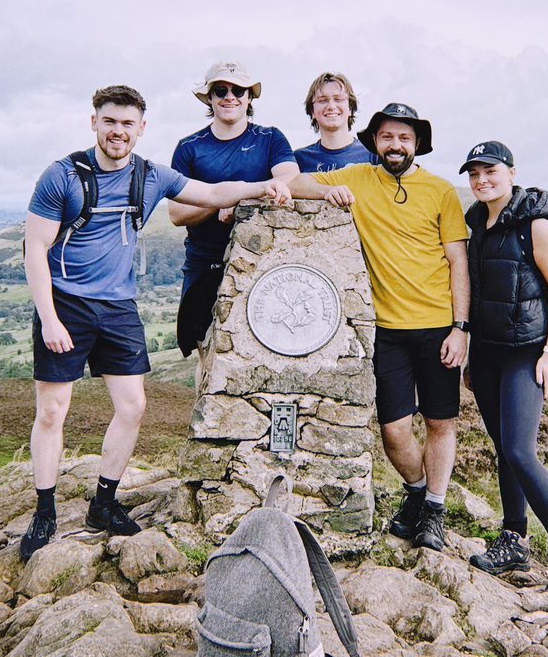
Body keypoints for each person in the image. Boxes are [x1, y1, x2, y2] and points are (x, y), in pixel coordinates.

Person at [22, 84, 291, 562]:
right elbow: (35, 249)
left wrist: (261, 187)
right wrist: (48, 319)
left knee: (133, 407)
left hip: (120, 307)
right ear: (94, 123)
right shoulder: (61, 176)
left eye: (127, 124)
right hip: (67, 303)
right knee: (51, 411)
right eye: (109, 121)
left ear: (141, 129)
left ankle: (103, 504)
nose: (118, 131)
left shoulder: (151, 176)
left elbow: (211, 193)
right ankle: (44, 512)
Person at [290, 103, 469, 552]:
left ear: (417, 145)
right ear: (374, 141)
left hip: (438, 328)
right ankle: (416, 492)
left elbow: (458, 262)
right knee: (393, 430)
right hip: (387, 330)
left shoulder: (441, 191)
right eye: (387, 137)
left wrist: (461, 327)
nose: (396, 145)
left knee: (440, 423)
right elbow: (292, 184)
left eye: (404, 138)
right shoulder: (355, 178)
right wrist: (325, 193)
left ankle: (434, 510)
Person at [460, 139, 548, 601]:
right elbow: (479, 295)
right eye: (474, 173)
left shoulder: (535, 225)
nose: (481, 180)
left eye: (490, 171)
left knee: (519, 450)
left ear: (511, 173)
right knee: (502, 449)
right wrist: (473, 354)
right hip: (489, 353)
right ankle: (513, 539)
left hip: (526, 352)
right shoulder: (477, 222)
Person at [169, 61, 299, 357]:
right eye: (220, 90)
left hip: (261, 262)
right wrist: (220, 202)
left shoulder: (270, 139)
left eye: (238, 90)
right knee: (206, 349)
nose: (230, 96)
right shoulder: (189, 147)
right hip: (205, 263)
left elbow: (290, 175)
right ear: (210, 98)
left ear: (249, 98)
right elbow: (177, 214)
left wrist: (243, 199)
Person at [293, 71, 377, 172]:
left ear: (350, 108)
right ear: (312, 112)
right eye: (323, 100)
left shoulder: (373, 155)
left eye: (338, 99)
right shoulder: (298, 160)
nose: (331, 107)